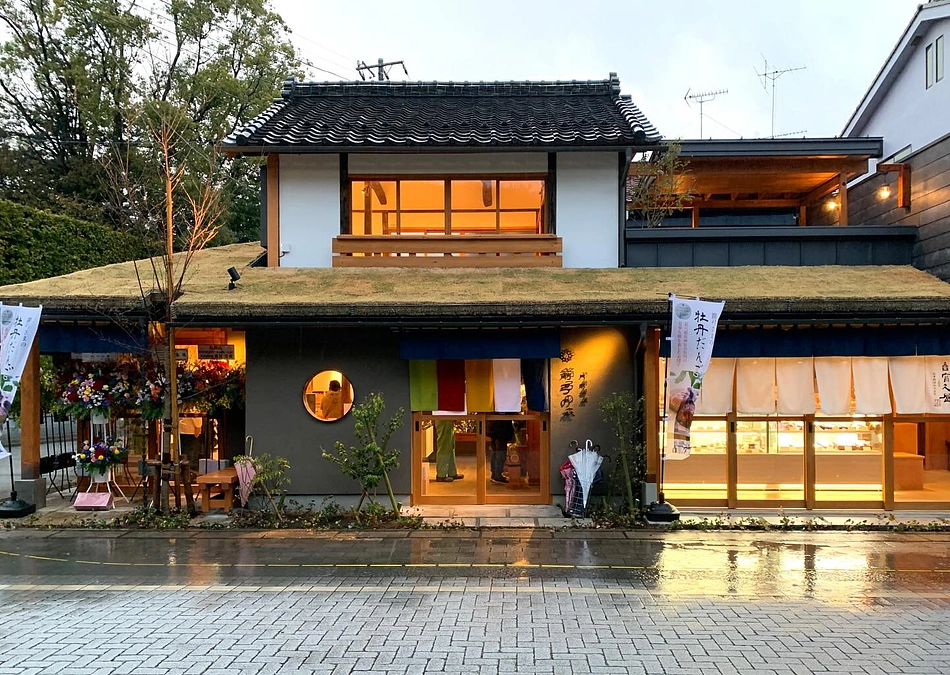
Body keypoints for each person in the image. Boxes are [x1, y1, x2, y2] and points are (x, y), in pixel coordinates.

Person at [486, 419, 514, 484]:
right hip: (501, 427)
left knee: (495, 449)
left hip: (492, 425)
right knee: (501, 449)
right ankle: (498, 475)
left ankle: (494, 474)